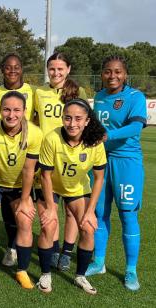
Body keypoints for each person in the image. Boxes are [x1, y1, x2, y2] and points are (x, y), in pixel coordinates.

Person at [86, 55, 147, 291]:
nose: (113, 76)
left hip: (126, 163)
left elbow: (135, 126)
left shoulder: (135, 97)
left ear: (125, 74)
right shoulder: (100, 97)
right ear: (102, 74)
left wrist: (107, 136)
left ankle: (131, 270)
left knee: (127, 215)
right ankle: (99, 261)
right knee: (99, 212)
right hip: (100, 161)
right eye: (108, 71)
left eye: (118, 71)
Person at [36, 98, 107, 294]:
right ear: (62, 118)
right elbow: (45, 175)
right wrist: (51, 208)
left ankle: (80, 276)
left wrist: (90, 211)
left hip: (77, 189)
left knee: (88, 228)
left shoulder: (95, 142)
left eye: (78, 119)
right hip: (50, 186)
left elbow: (99, 178)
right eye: (68, 118)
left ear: (87, 121)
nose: (72, 123)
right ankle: (45, 274)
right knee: (48, 225)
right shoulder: (52, 138)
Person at [0, 91, 42, 289]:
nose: (11, 114)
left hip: (19, 186)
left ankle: (21, 270)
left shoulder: (35, 133)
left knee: (25, 219)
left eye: (16, 110)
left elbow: (29, 170)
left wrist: (24, 200)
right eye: (6, 109)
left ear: (24, 112)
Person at [34, 52, 88, 271]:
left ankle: (66, 251)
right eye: (52, 69)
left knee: (70, 210)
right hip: (46, 158)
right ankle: (54, 249)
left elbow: (84, 121)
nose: (55, 73)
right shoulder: (39, 92)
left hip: (71, 157)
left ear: (68, 69)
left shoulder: (78, 91)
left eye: (60, 69)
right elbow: (33, 121)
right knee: (49, 207)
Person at [0, 54, 37, 267]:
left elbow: (35, 120)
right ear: (2, 69)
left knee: (22, 210)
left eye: (16, 67)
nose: (12, 71)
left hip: (26, 155)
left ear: (22, 69)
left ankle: (18, 248)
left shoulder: (33, 92)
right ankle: (3, 250)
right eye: (8, 67)